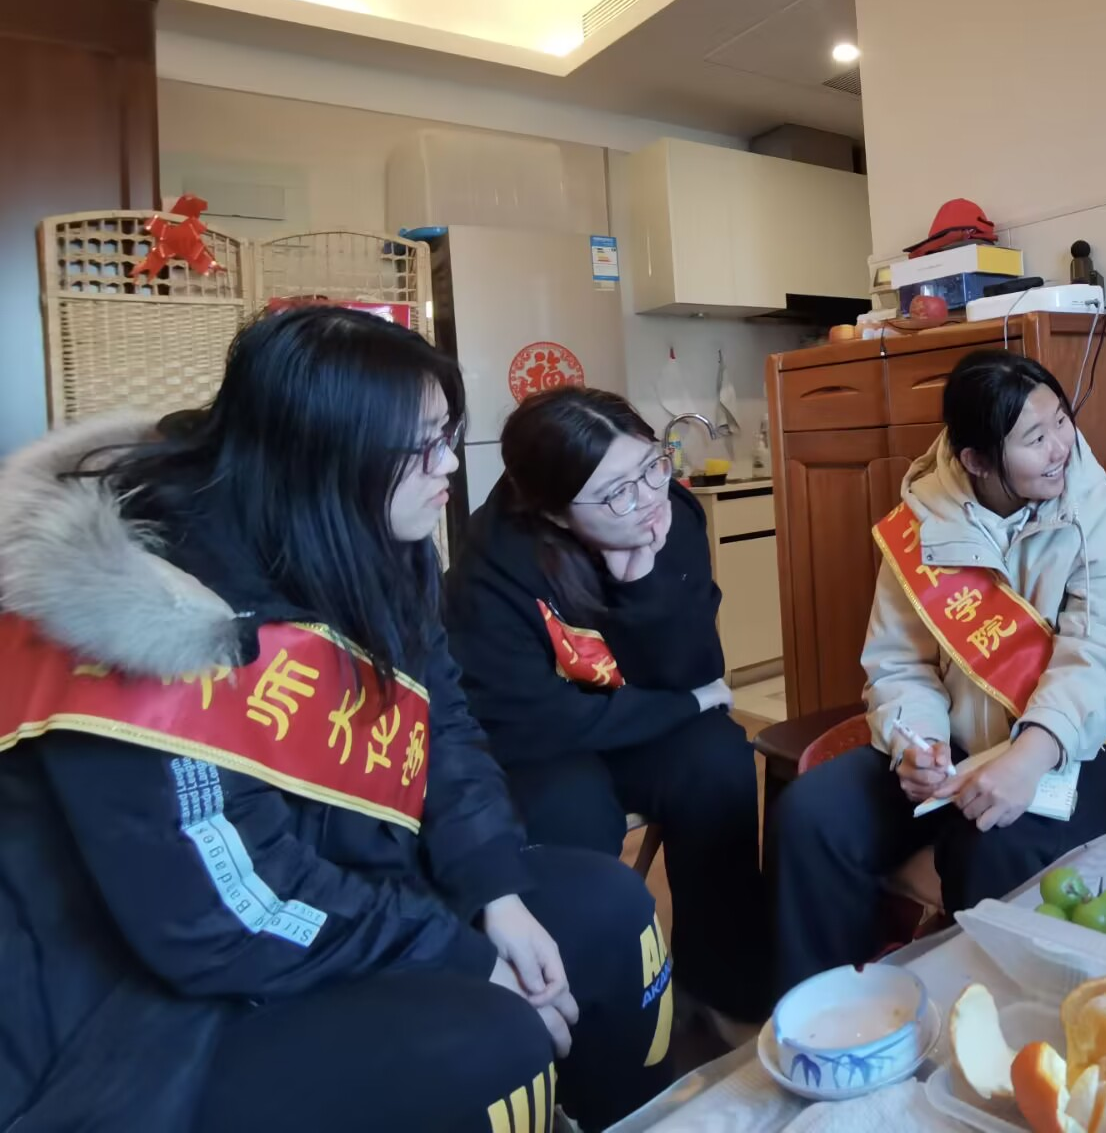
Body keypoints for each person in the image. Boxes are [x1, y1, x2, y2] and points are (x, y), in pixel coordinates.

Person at [0, 308, 673, 1132]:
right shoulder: (139, 617)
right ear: (327, 459)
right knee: (496, 1041)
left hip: (365, 888)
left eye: (449, 436)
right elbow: (224, 913)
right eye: (424, 446)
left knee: (608, 913)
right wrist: (462, 956)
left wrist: (493, 889)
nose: (450, 465)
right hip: (161, 1004)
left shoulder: (373, 528)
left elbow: (441, 725)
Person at [769, 350, 1106, 994]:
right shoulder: (922, 522)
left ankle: (974, 1020)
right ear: (976, 460)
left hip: (1078, 738)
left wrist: (1029, 757)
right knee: (810, 815)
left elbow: (1102, 650)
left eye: (1061, 421)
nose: (1061, 447)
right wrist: (915, 744)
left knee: (992, 845)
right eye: (1035, 438)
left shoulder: (1096, 507)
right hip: (957, 738)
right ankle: (836, 1014)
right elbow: (899, 661)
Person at [443, 386, 769, 1032]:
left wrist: (645, 585)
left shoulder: (669, 516)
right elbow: (535, 720)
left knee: (719, 763)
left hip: (635, 719)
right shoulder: (493, 567)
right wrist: (684, 704)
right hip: (544, 744)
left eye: (652, 466)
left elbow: (695, 671)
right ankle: (600, 1009)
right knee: (571, 808)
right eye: (618, 492)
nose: (647, 497)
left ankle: (722, 985)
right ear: (554, 512)